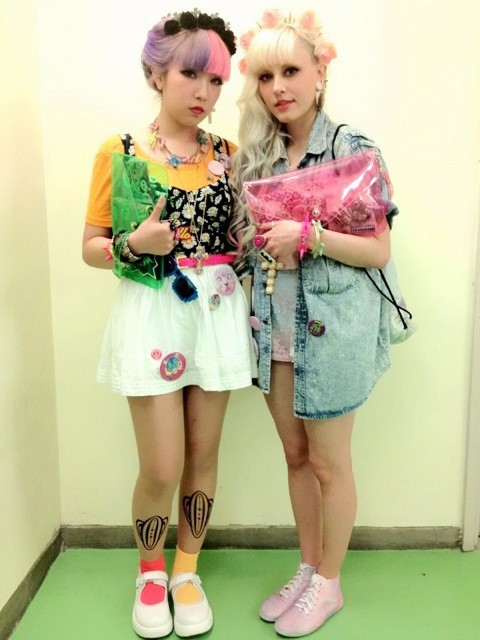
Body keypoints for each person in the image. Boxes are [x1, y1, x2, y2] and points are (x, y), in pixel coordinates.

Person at [82, 10, 256, 639]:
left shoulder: (230, 155)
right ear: (156, 74)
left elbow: (239, 236)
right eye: (191, 75)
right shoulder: (121, 152)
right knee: (161, 465)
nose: (205, 93)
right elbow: (91, 247)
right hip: (153, 310)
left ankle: (186, 571)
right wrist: (135, 244)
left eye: (217, 81)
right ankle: (150, 572)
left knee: (203, 456)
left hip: (217, 309)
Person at [231, 9, 398, 638]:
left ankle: (330, 581)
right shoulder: (262, 157)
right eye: (265, 75)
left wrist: (310, 236)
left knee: (330, 463)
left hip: (332, 331)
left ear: (320, 73)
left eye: (291, 71)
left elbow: (377, 251)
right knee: (296, 457)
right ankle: (307, 567)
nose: (278, 87)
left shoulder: (353, 149)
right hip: (274, 329)